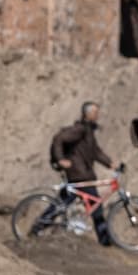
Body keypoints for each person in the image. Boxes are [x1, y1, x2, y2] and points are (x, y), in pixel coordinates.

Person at [50, 101, 117, 246]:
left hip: (81, 174)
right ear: (88, 114)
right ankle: (105, 241)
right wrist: (61, 159)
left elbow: (96, 152)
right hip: (80, 175)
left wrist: (111, 163)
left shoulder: (87, 131)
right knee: (96, 208)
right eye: (95, 113)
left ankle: (37, 227)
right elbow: (59, 139)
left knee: (60, 204)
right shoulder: (79, 130)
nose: (98, 115)